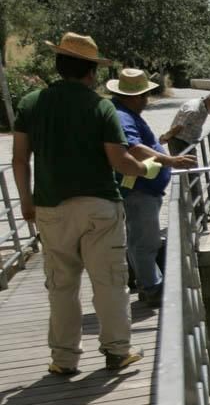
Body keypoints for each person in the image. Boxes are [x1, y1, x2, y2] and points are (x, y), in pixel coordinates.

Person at [12, 32, 159, 375]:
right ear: (91, 71)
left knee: (61, 285)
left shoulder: (31, 104)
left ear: (59, 66)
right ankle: (116, 351)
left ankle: (63, 359)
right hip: (99, 208)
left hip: (50, 209)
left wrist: (26, 201)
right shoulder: (101, 107)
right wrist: (146, 169)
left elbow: (20, 159)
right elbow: (120, 162)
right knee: (108, 282)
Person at [108, 69, 197, 307]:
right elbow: (133, 148)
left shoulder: (124, 113)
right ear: (135, 96)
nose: (147, 100)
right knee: (144, 242)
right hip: (140, 191)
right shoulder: (123, 116)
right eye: (145, 95)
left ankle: (146, 283)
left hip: (143, 190)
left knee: (142, 239)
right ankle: (152, 288)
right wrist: (170, 161)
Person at [159, 89, 210, 155]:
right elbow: (177, 127)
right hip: (179, 143)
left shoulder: (204, 107)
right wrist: (164, 138)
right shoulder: (193, 109)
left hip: (189, 142)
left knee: (192, 164)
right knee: (184, 164)